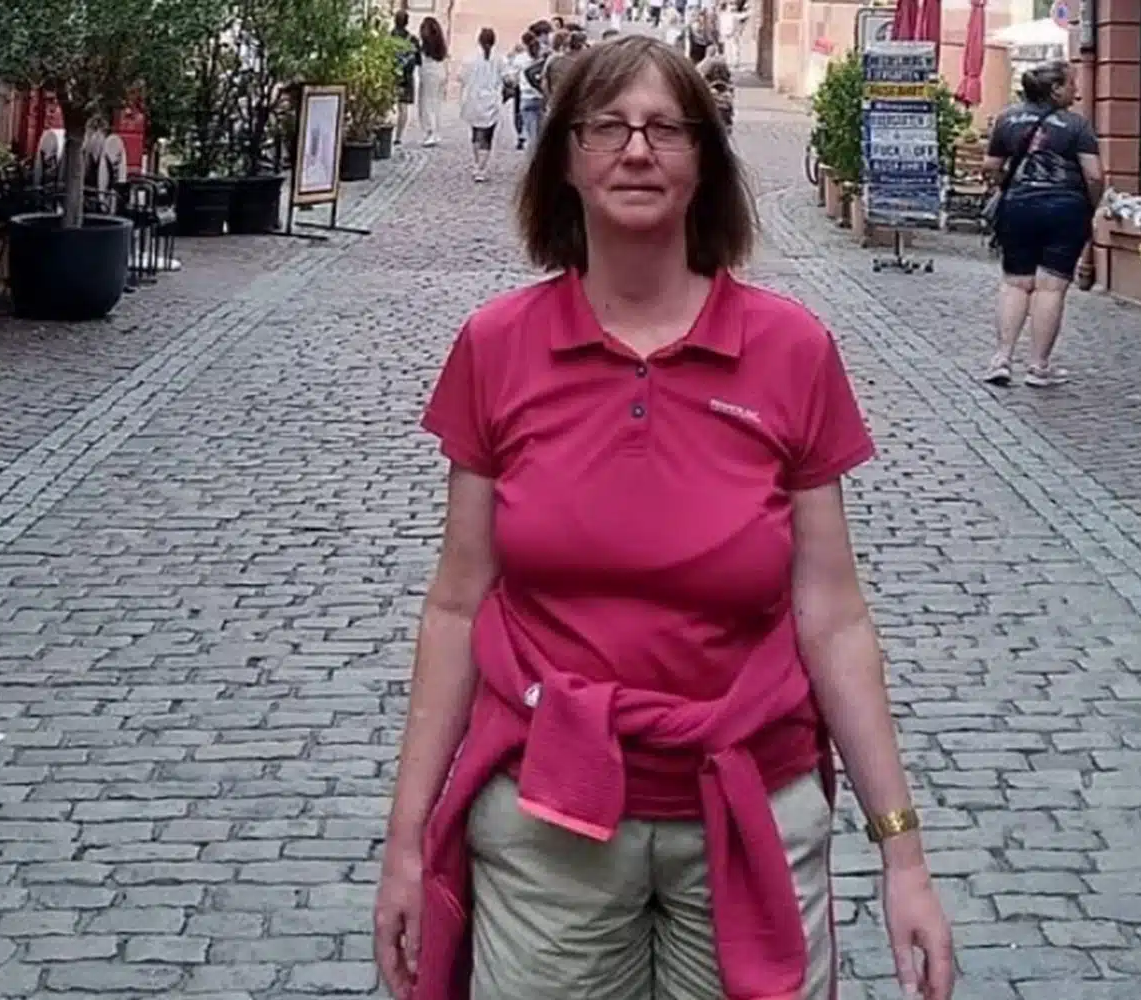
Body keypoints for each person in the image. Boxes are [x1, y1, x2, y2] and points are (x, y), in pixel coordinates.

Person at [375, 33, 956, 1000]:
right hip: (547, 818)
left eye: (666, 129)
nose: (637, 151)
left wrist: (905, 858)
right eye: (607, 127)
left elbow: (832, 616)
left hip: (753, 810)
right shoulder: (498, 347)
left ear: (704, 162)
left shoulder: (790, 350)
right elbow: (456, 605)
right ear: (566, 159)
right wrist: (406, 841)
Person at [982, 60, 1103, 388]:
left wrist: (1007, 186)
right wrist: (1092, 204)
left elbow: (991, 165)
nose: (1077, 90)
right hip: (1065, 208)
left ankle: (1002, 359)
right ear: (1056, 89)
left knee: (1015, 283)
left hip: (1019, 207)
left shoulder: (1007, 119)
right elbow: (1094, 175)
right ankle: (1038, 367)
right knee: (1050, 287)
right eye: (1072, 83)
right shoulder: (1077, 125)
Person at [459, 27, 511, 182]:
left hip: (473, 99)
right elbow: (508, 78)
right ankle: (482, 168)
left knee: (475, 133)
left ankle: (476, 163)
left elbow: (461, 76)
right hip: (492, 100)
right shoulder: (500, 58)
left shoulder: (470, 58)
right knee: (487, 136)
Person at [391, 10, 423, 144]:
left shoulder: (389, 38)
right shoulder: (413, 40)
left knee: (382, 106)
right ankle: (398, 137)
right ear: (407, 22)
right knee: (403, 108)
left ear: (394, 21)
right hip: (407, 78)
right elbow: (419, 61)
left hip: (390, 76)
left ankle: (381, 132)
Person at [417, 16, 449, 146]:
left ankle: (431, 132)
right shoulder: (440, 44)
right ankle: (436, 132)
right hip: (440, 72)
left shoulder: (426, 45)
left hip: (429, 75)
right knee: (436, 104)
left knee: (427, 104)